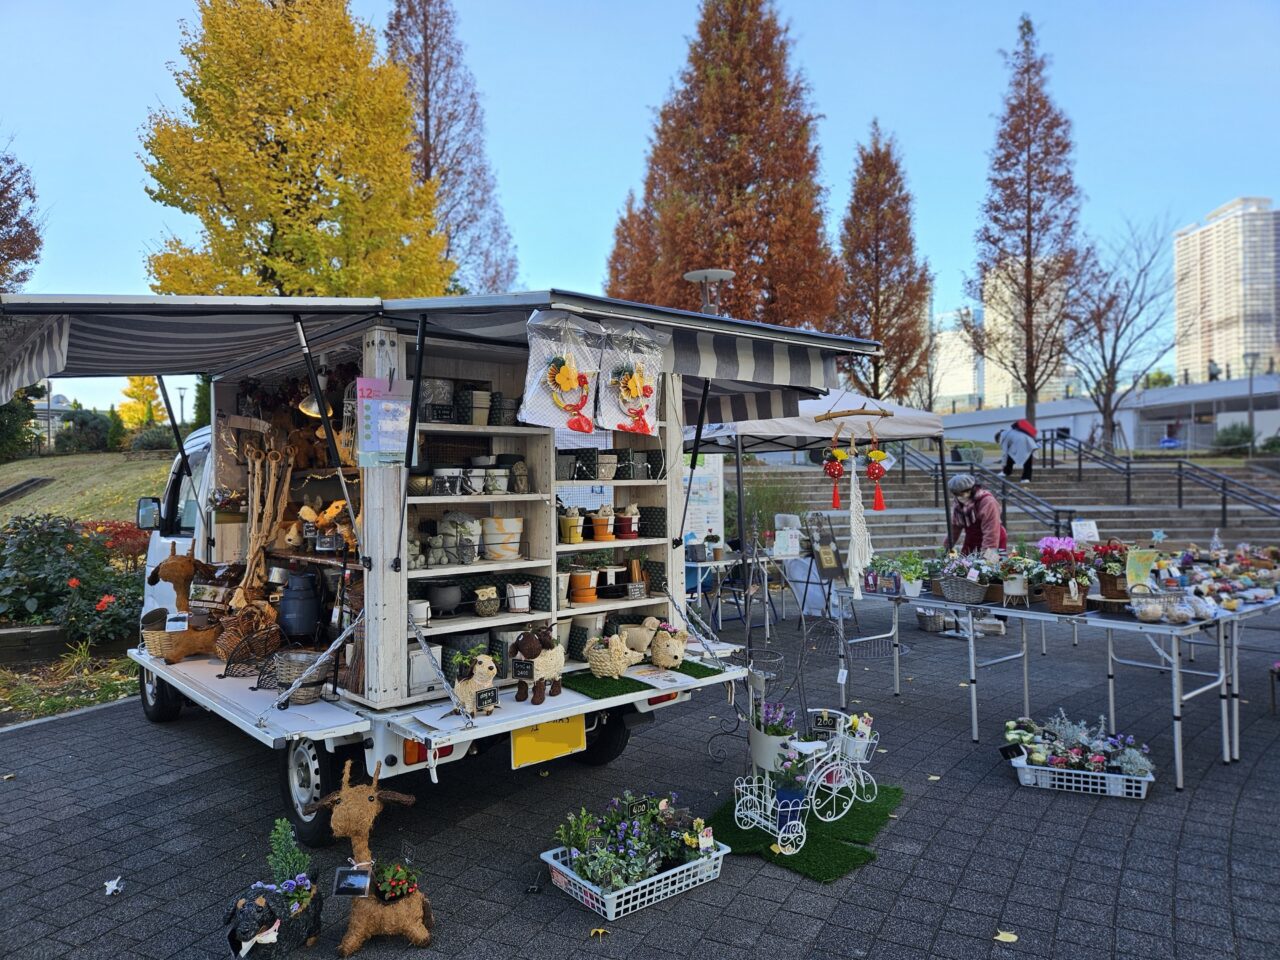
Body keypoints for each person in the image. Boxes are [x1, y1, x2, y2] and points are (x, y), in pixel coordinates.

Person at [947, 474, 1005, 564]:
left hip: (994, 539)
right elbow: (954, 528)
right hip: (972, 539)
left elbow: (991, 532)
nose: (960, 497)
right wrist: (946, 548)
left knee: (990, 571)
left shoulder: (987, 501)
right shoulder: (958, 505)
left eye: (962, 493)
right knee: (964, 567)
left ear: (972, 489)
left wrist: (987, 558)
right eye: (956, 494)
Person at [1000, 419, 1037, 483]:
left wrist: (1003, 464)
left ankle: (1006, 472)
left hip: (1023, 445)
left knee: (1009, 456)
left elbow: (1004, 453)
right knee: (1027, 462)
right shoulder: (1013, 432)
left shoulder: (1004, 436)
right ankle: (1026, 478)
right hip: (1030, 444)